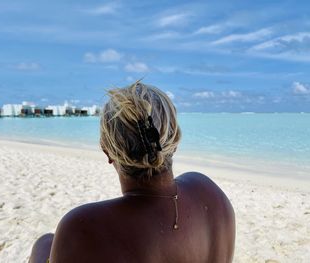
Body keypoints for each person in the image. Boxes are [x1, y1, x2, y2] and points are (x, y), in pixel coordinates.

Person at [29, 82, 235, 263]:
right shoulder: (210, 194)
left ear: (107, 151)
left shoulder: (82, 228)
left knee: (44, 243)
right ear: (175, 141)